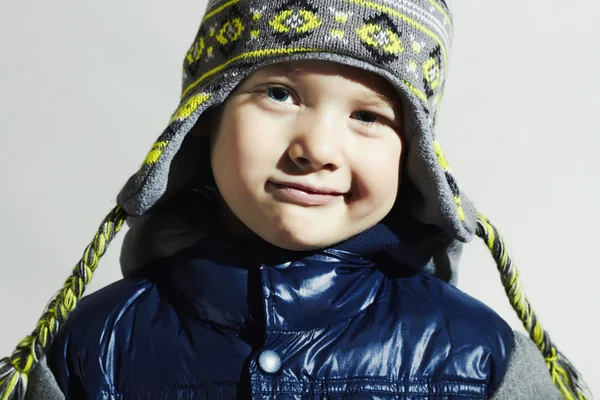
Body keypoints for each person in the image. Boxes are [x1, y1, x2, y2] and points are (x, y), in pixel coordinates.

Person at [0, 0, 590, 399]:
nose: (317, 147)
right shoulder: (93, 345)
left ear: (415, 153)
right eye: (280, 94)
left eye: (368, 116)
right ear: (205, 114)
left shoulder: (478, 356)